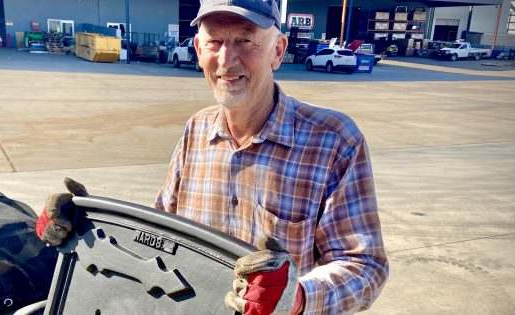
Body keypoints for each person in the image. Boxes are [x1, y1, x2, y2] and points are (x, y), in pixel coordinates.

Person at [36, 0, 389, 314]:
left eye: (245, 40)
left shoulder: (332, 139)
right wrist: (86, 227)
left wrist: (295, 298)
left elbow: (365, 267)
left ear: (278, 51)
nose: (226, 59)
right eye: (214, 41)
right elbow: (160, 233)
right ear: (198, 49)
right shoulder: (196, 130)